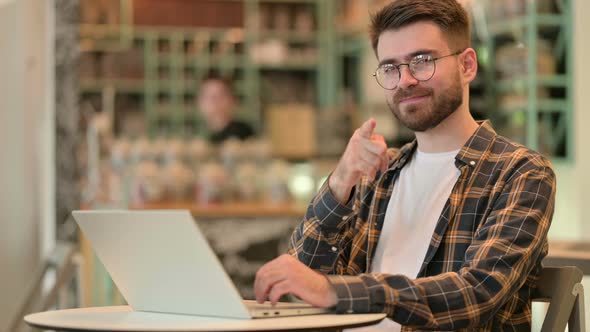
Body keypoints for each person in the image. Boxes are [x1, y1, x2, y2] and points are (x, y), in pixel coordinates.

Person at [253, 0, 556, 331]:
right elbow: (303, 281)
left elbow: (476, 294)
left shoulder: (521, 172)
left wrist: (331, 291)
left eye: (422, 61)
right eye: (390, 68)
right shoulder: (379, 173)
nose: (405, 80)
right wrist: (340, 181)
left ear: (467, 65)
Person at [197, 75, 255, 144]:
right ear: (199, 102)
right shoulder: (205, 136)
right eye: (209, 97)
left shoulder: (241, 132)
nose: (214, 102)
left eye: (220, 96)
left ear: (232, 100)